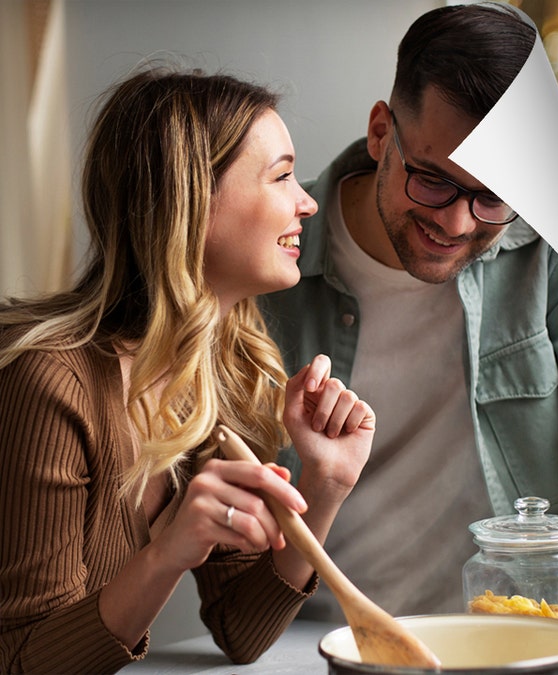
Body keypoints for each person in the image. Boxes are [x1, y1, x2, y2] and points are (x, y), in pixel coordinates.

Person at [257, 2, 558, 621]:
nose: (457, 222)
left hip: (516, 632)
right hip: (323, 640)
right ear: (382, 131)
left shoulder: (546, 241)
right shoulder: (266, 263)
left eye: (492, 196)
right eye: (434, 181)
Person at [0, 68, 374, 673]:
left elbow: (239, 630)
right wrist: (168, 551)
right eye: (281, 176)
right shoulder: (49, 382)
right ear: (191, 201)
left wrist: (323, 486)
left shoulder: (215, 379)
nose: (307, 201)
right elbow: (20, 660)